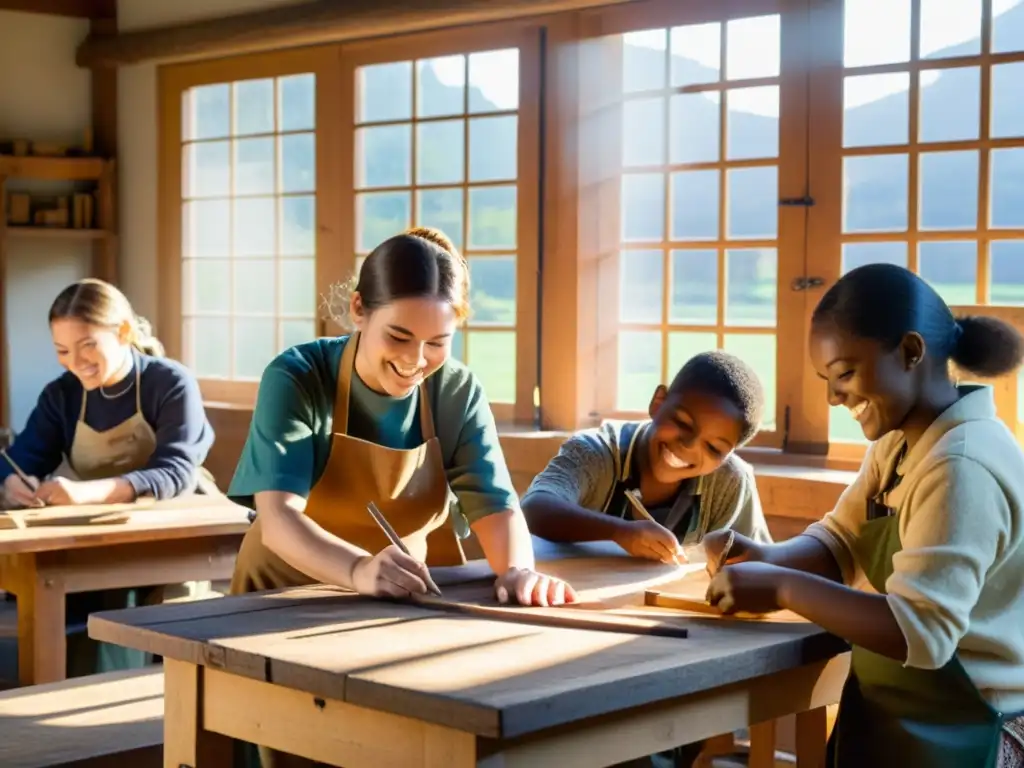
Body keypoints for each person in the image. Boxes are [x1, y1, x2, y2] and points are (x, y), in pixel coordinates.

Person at [226, 227, 578, 767]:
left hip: (397, 606)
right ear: (359, 310)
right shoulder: (298, 376)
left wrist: (518, 572)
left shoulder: (455, 390)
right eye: (399, 337)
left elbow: (495, 502)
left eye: (437, 343)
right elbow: (277, 520)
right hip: (281, 603)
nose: (416, 360)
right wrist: (361, 570)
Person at [704, 263, 1024, 768]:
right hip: (904, 718)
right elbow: (841, 542)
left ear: (911, 353)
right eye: (826, 381)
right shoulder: (900, 441)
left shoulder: (962, 466)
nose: (834, 398)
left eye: (845, 374)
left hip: (971, 730)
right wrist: (766, 556)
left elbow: (921, 633)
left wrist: (782, 587)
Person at [522, 350, 772, 768]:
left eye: (713, 447)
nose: (688, 448)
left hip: (671, 652)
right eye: (683, 424)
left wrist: (724, 559)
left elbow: (755, 566)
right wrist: (620, 532)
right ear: (658, 402)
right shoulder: (597, 451)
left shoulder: (731, 481)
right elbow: (537, 506)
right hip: (569, 642)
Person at [0, 278, 216, 677]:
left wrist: (85, 494)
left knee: (174, 638)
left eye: (88, 345)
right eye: (63, 351)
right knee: (85, 630)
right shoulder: (61, 396)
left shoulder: (169, 382)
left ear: (123, 333)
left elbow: (176, 472)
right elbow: (18, 459)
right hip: (102, 534)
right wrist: (11, 483)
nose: (76, 361)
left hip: (179, 533)